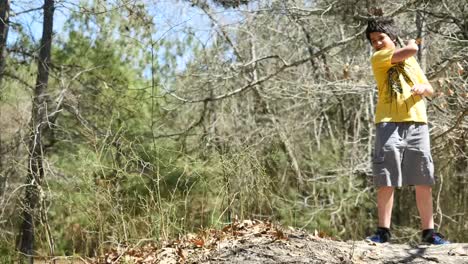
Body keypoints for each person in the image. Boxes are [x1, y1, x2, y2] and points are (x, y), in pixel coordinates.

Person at [365, 17, 449, 245]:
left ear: (392, 38)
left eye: (381, 38)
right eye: (373, 40)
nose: (377, 43)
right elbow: (411, 48)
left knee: (423, 177)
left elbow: (430, 88)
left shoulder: (412, 63)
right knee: (386, 178)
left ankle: (429, 233)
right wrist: (413, 42)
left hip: (417, 124)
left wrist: (424, 88)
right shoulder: (379, 57)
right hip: (388, 123)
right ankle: (383, 231)